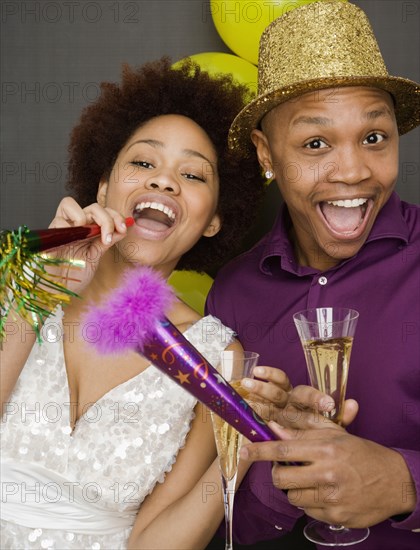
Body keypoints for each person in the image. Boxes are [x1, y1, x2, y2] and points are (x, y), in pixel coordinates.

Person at [0, 57, 290, 550]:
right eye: (142, 162)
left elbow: (152, 543)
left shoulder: (217, 360)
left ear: (214, 219)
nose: (163, 181)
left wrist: (237, 452)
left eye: (194, 175)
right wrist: (40, 291)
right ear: (103, 186)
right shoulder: (22, 276)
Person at [206, 1, 420, 549]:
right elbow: (230, 523)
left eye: (374, 137)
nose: (352, 171)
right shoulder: (231, 295)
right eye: (316, 143)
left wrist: (404, 484)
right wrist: (273, 463)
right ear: (265, 153)